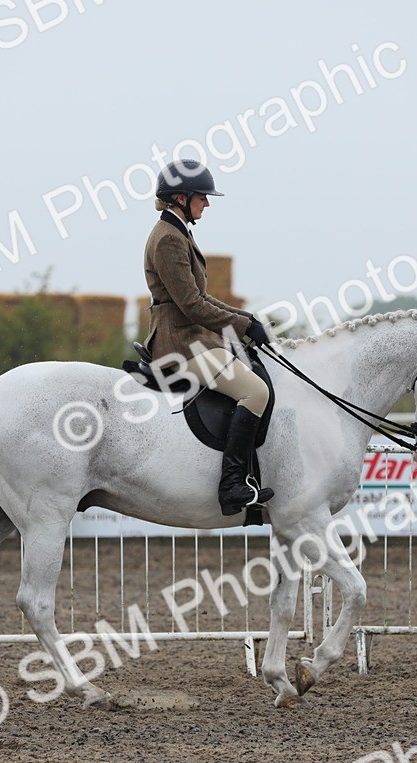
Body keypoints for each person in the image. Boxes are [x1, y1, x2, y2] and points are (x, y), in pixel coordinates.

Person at [142, 159, 275, 516]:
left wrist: (247, 319)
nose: (207, 203)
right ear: (181, 197)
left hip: (193, 337)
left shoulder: (178, 232)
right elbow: (191, 307)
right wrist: (243, 328)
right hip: (181, 344)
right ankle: (231, 484)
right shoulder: (168, 239)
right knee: (255, 391)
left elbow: (202, 298)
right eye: (202, 196)